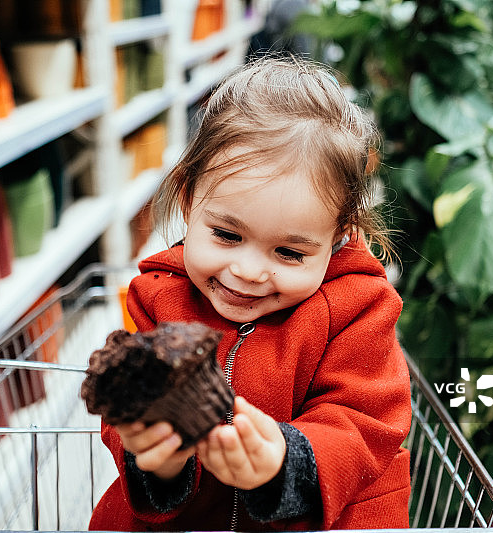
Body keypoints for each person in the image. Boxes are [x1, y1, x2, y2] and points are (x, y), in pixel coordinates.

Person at [88, 56, 412, 531]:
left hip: (313, 518)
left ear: (338, 234)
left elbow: (363, 420)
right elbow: (128, 414)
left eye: (289, 253)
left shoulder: (358, 310)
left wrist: (286, 460)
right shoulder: (157, 298)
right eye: (226, 235)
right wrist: (156, 458)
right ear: (187, 199)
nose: (248, 272)